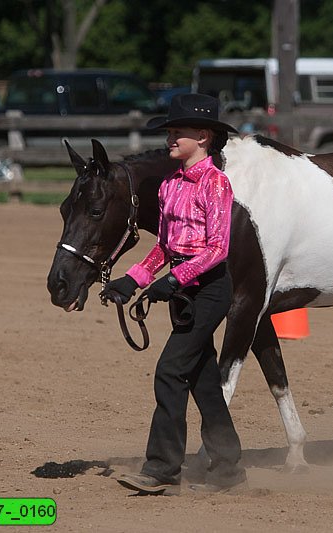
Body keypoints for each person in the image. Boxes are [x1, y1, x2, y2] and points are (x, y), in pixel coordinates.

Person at [101, 93, 246, 495]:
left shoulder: (216, 184)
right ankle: (229, 467)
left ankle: (162, 468)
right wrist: (133, 280)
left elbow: (218, 249)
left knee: (170, 370)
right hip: (182, 289)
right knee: (201, 379)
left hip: (210, 290)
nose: (169, 139)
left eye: (176, 132)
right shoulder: (169, 186)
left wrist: (175, 280)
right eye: (168, 132)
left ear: (203, 136)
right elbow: (165, 245)